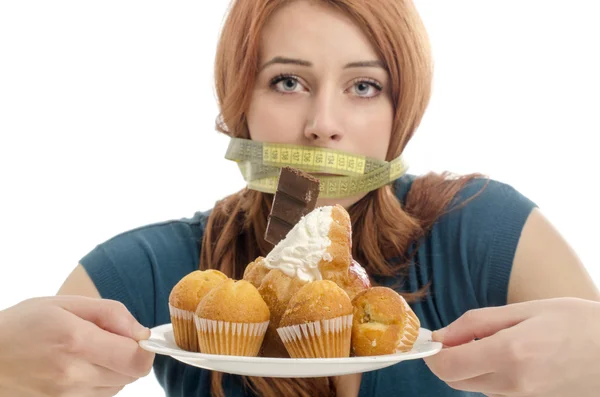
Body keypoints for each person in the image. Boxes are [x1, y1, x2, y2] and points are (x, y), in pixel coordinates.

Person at [0, 0, 599, 396]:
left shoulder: (487, 230)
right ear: (241, 103)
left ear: (402, 113)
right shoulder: (154, 267)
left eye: (364, 86)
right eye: (288, 81)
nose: (323, 124)